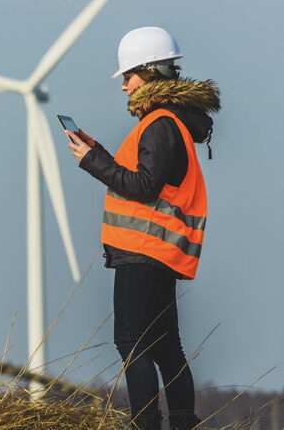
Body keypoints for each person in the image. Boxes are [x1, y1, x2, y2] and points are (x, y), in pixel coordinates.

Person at [66, 27, 220, 430]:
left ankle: (146, 424)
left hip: (143, 251)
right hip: (160, 252)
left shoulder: (160, 123)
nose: (123, 87)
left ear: (151, 72)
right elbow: (147, 178)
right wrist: (99, 152)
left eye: (128, 77)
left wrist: (91, 162)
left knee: (131, 342)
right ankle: (182, 422)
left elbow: (143, 185)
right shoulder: (171, 123)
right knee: (167, 346)